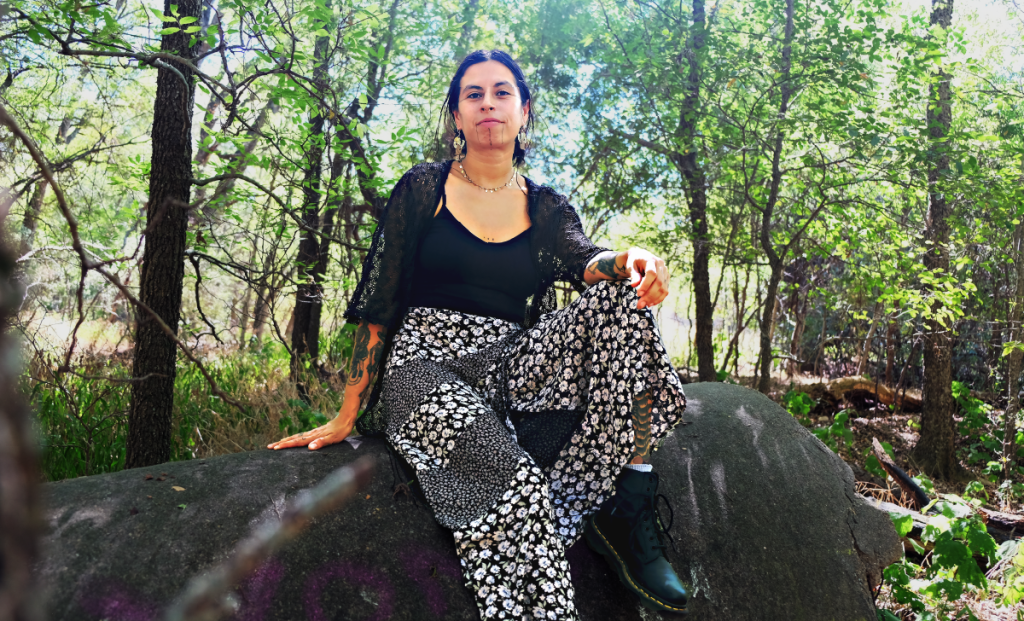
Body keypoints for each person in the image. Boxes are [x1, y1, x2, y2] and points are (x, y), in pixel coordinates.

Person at [269, 49, 689, 620]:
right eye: (473, 94)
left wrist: (630, 258)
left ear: (523, 112)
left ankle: (628, 493)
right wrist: (349, 412)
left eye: (501, 92)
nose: (488, 103)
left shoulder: (546, 206)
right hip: (422, 367)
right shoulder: (423, 188)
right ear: (457, 116)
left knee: (622, 290)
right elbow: (379, 304)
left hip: (509, 362)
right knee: (517, 491)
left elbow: (585, 259)